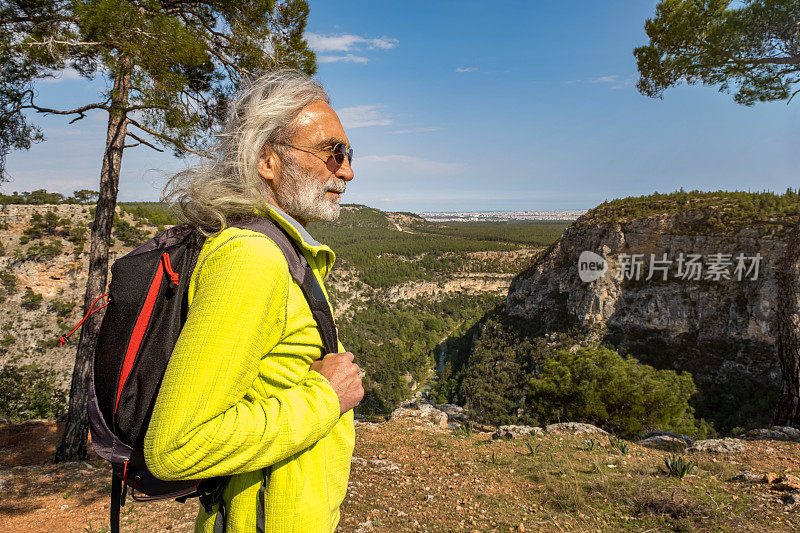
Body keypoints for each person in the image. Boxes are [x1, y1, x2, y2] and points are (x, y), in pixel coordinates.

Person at [144, 69, 364, 532]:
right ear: (268, 160)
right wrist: (326, 397)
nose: (347, 169)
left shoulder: (276, 250)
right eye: (331, 151)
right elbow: (175, 446)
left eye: (348, 153)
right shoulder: (252, 257)